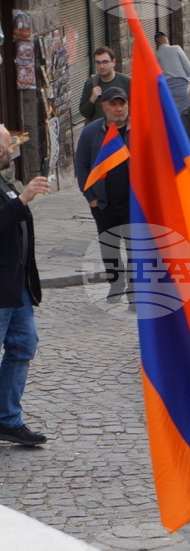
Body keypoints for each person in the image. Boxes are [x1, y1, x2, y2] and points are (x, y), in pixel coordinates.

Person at [0, 125, 49, 447]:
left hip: (15, 284)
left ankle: (7, 419)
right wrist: (23, 199)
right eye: (9, 145)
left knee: (23, 345)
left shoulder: (4, 179)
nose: (13, 150)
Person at [75, 86, 132, 302]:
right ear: (104, 107)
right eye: (113, 104)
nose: (118, 109)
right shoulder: (91, 132)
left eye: (122, 104)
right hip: (103, 203)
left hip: (132, 203)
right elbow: (81, 165)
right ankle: (116, 285)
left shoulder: (139, 130)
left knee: (136, 249)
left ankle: (134, 292)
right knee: (109, 248)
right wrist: (90, 198)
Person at [79, 46, 131, 125]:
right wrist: (92, 99)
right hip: (99, 130)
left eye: (105, 62)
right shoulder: (90, 83)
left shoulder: (127, 82)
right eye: (98, 63)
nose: (102, 66)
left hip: (121, 129)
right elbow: (84, 113)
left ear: (113, 62)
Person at [154, 32, 190, 113]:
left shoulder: (155, 55)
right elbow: (187, 66)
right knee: (186, 112)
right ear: (166, 40)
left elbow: (156, 75)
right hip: (182, 85)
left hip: (168, 87)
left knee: (173, 113)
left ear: (157, 44)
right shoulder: (176, 49)